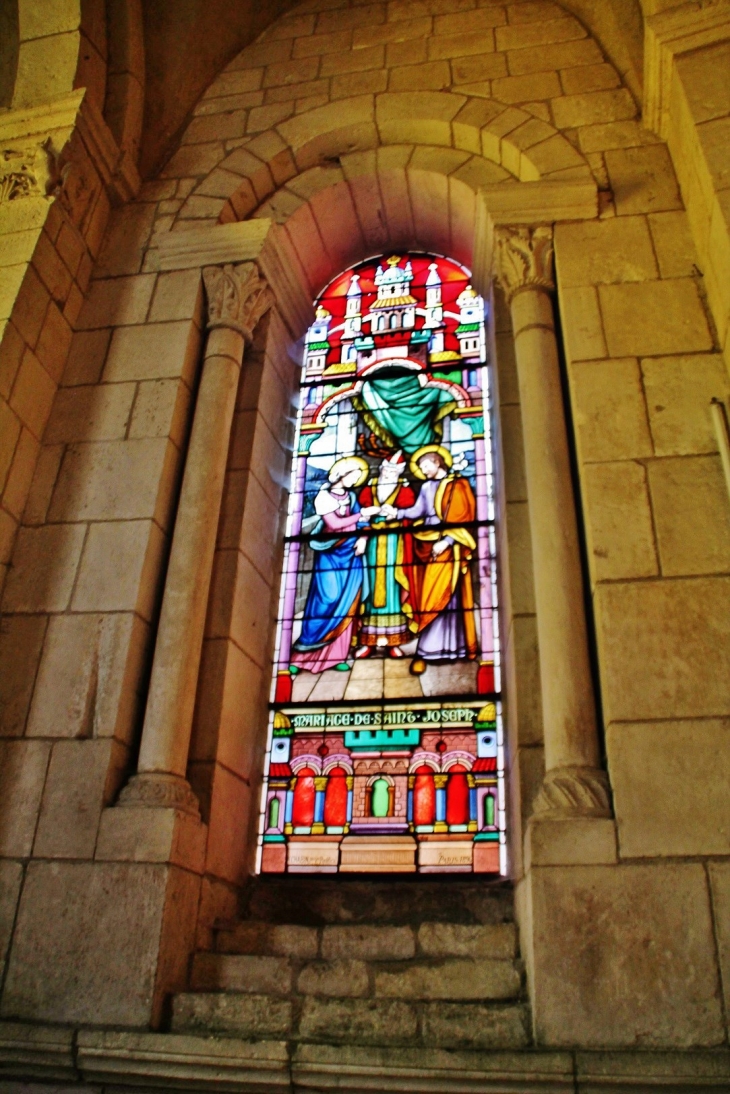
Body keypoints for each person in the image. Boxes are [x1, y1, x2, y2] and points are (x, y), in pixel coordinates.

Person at [383, 445, 478, 675]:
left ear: (438, 463)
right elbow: (419, 511)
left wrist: (446, 541)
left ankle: (450, 649)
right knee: (427, 598)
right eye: (421, 467)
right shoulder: (426, 487)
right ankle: (426, 651)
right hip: (426, 544)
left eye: (427, 465)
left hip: (449, 548)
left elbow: (464, 516)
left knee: (446, 597)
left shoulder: (458, 485)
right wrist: (396, 513)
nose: (424, 470)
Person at [291, 456, 379, 673]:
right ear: (341, 474)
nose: (356, 480)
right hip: (331, 553)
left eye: (359, 477)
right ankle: (301, 656)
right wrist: (361, 514)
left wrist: (363, 538)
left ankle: (337, 656)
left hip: (353, 554)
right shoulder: (324, 497)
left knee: (348, 603)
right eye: (353, 476)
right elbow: (335, 524)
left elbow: (364, 524)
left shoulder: (351, 496)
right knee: (326, 599)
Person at [354, 451, 415, 658]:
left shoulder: (404, 490)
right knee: (369, 589)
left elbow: (411, 513)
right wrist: (362, 538)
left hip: (394, 544)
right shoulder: (369, 488)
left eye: (393, 471)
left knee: (393, 587)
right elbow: (360, 516)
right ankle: (368, 642)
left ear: (399, 473)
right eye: (386, 469)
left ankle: (393, 642)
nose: (388, 474)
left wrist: (394, 512)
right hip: (371, 542)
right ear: (381, 469)